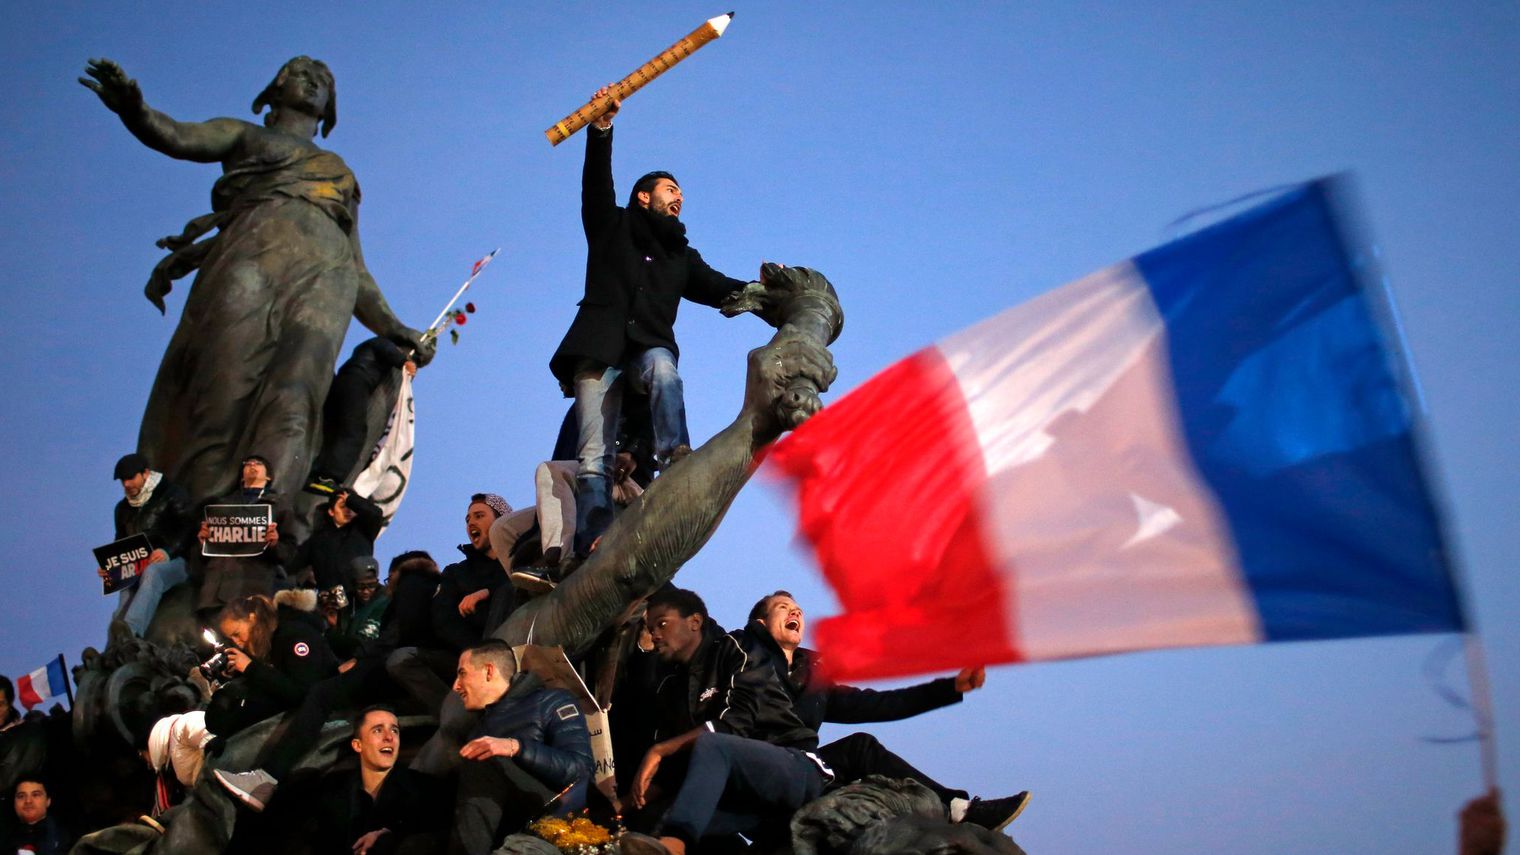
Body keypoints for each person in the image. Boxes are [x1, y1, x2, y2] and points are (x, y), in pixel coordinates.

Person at [79, 57, 433, 514]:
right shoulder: (247, 136)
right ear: (275, 88)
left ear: (330, 107)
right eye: (300, 74)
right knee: (222, 386)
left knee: (297, 393)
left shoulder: (338, 171)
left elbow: (356, 264)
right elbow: (180, 136)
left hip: (327, 278)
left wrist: (392, 325)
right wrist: (136, 111)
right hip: (250, 259)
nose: (311, 83)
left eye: (323, 81)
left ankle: (270, 518)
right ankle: (198, 522)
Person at [549, 85, 754, 559]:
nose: (679, 195)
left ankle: (675, 456)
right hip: (598, 350)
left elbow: (724, 288)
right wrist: (601, 129)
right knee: (593, 459)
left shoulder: (681, 254)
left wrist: (769, 294)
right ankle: (593, 539)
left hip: (647, 347)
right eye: (670, 188)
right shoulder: (611, 224)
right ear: (644, 197)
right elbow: (596, 184)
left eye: (681, 191)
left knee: (664, 370)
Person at [743, 591, 1029, 832]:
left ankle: (958, 808)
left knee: (860, 748)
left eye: (798, 610)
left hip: (808, 769)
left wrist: (950, 688)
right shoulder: (740, 660)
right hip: (761, 772)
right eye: (783, 608)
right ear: (761, 622)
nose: (794, 611)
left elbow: (883, 703)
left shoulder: (813, 679)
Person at [624, 588, 829, 855]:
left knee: (714, 745)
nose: (655, 635)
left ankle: (674, 845)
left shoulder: (736, 646)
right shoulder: (672, 687)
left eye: (662, 624)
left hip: (793, 766)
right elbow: (682, 765)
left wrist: (660, 750)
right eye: (651, 629)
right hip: (748, 798)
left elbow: (733, 726)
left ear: (695, 622)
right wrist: (624, 803)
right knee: (656, 819)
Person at [450, 640, 594, 855]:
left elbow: (581, 771)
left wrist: (515, 747)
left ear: (489, 671)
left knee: (485, 758)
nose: (455, 686)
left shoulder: (552, 701)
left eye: (462, 673)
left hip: (557, 818)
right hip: (508, 829)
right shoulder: (477, 731)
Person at [387, 494, 514, 715]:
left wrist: (488, 592)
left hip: (514, 650)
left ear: (501, 520)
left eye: (479, 515)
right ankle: (456, 716)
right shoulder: (457, 573)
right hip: (467, 656)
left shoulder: (520, 561)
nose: (471, 523)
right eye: (467, 519)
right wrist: (475, 653)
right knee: (401, 660)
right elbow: (444, 620)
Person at [204, 591, 339, 747]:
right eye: (231, 638)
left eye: (237, 634)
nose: (237, 642)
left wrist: (250, 667)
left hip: (317, 714)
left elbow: (301, 692)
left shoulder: (294, 635)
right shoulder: (263, 641)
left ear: (252, 618)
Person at [307, 705, 444, 855]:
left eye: (394, 730)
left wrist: (389, 835)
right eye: (378, 730)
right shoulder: (333, 791)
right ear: (358, 745)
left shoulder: (426, 789)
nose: (389, 737)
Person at [99, 452, 196, 637]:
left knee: (153, 573)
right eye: (122, 481)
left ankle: (131, 633)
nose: (126, 484)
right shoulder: (122, 509)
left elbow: (189, 528)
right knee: (125, 589)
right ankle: (113, 646)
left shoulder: (172, 495)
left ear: (145, 473)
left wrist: (168, 551)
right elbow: (120, 542)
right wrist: (110, 567)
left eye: (130, 478)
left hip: (173, 563)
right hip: (136, 566)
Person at [308, 336, 419, 496]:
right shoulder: (382, 343)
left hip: (348, 382)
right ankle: (328, 477)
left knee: (335, 429)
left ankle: (317, 472)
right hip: (356, 382)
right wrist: (404, 361)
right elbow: (387, 349)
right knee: (354, 431)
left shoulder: (367, 350)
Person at [194, 455, 297, 620]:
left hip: (253, 590)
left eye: (258, 463)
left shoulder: (279, 507)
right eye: (248, 463)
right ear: (242, 475)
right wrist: (203, 543)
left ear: (269, 476)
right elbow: (202, 557)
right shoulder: (220, 505)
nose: (252, 465)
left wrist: (275, 544)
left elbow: (290, 553)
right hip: (215, 592)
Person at [288, 488, 385, 600]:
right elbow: (292, 563)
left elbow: (376, 514)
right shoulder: (317, 540)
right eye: (343, 506)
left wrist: (351, 499)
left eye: (351, 507)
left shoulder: (363, 529)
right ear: (331, 511)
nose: (348, 511)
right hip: (334, 600)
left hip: (362, 595)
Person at [2, 777, 73, 854]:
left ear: (48, 801)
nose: (28, 801)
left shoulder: (65, 836)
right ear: (14, 803)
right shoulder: (5, 836)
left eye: (35, 795)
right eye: (21, 796)